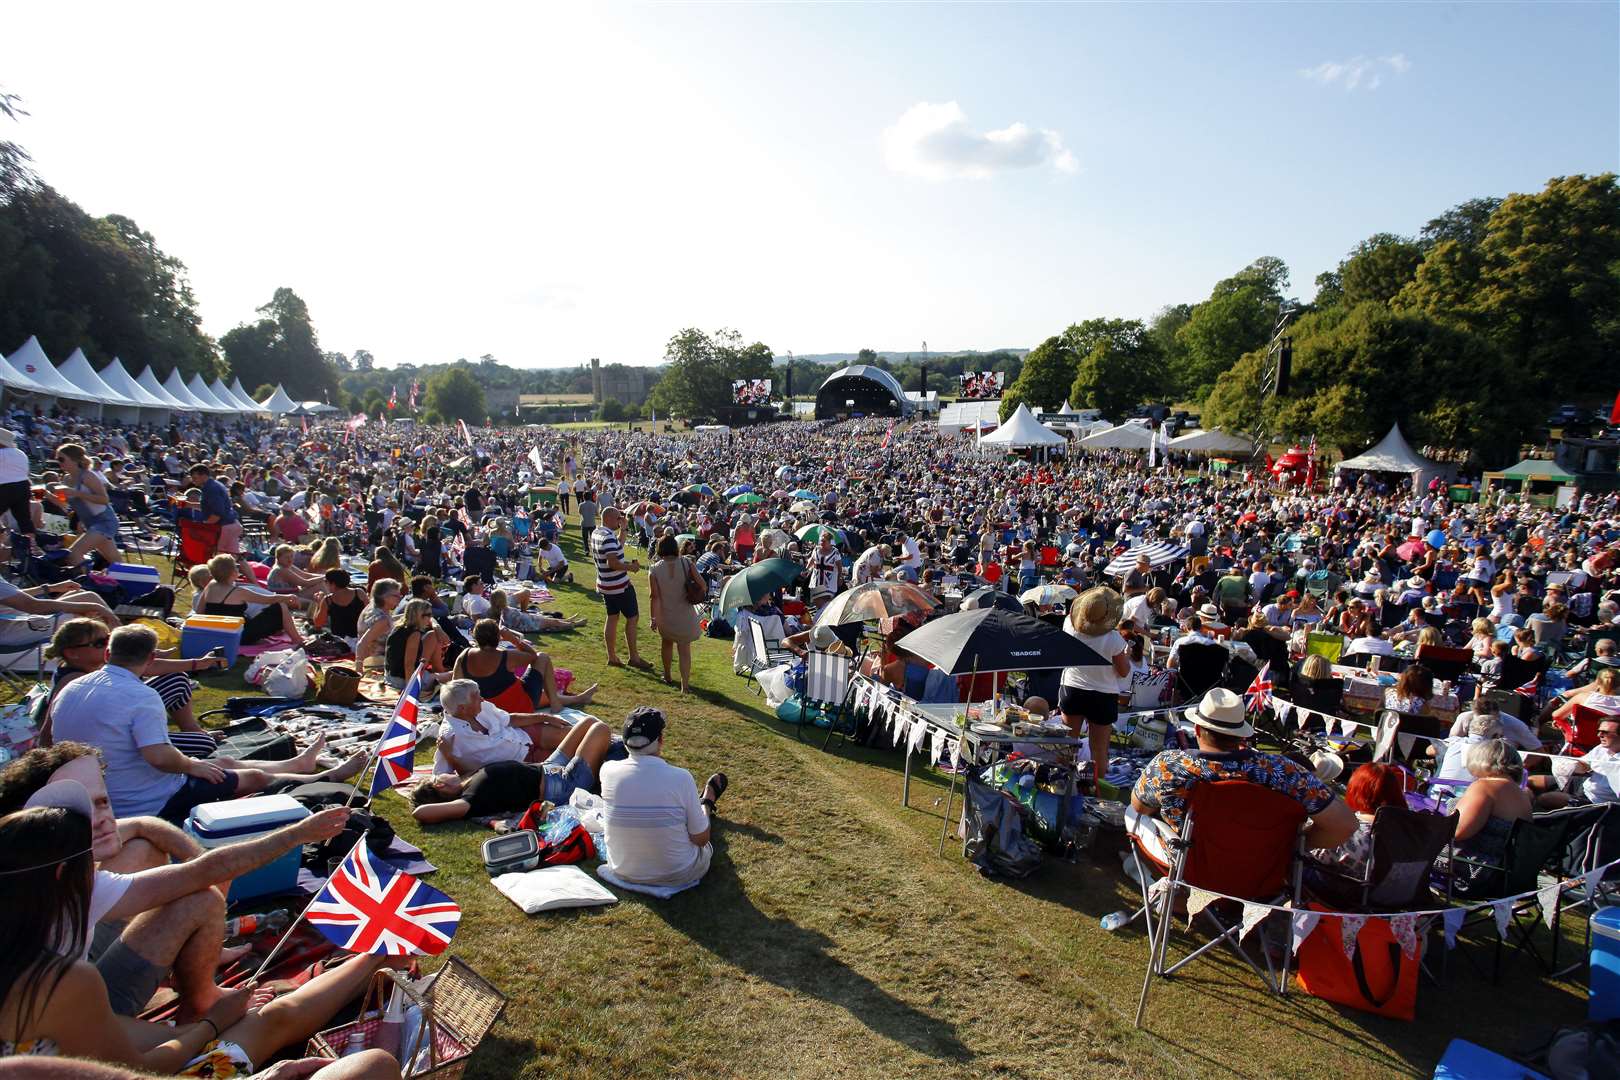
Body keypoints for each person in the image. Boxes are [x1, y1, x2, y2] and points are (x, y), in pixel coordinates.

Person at [0, 787, 399, 1078]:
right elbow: (136, 1069)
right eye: (88, 860)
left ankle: (377, 954)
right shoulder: (58, 981)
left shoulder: (33, 960)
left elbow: (202, 872)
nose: (100, 867)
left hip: (81, 1043)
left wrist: (194, 1030)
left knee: (258, 1019)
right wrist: (212, 1024)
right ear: (60, 876)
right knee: (362, 1060)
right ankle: (379, 954)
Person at [0, 745, 354, 1021]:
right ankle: (202, 1005)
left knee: (142, 847)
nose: (104, 818)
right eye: (85, 810)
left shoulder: (33, 855)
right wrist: (298, 834)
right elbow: (207, 873)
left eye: (104, 801)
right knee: (201, 900)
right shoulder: (74, 885)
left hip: (61, 984)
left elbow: (143, 825)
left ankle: (196, 970)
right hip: (65, 1020)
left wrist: (194, 854)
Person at [50, 626, 364, 822]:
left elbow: (46, 740)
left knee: (223, 762)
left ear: (107, 654)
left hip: (96, 792)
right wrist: (192, 766)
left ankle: (298, 764)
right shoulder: (140, 696)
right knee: (249, 777)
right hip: (144, 799)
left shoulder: (71, 688)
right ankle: (326, 775)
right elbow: (159, 757)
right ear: (151, 658)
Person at [1129, 688, 1356, 865]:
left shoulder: (1170, 765)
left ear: (1197, 730)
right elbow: (1344, 825)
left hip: (1192, 864)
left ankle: (1174, 896)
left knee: (1132, 813)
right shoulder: (1285, 772)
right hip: (1264, 866)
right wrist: (1292, 845)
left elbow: (1140, 807)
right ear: (1240, 736)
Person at [41, 618, 232, 757]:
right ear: (72, 653)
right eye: (100, 642)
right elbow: (47, 733)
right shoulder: (73, 682)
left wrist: (198, 664)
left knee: (176, 680)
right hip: (113, 746)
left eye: (108, 638)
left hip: (122, 729)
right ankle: (192, 740)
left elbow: (151, 666)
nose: (108, 644)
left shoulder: (95, 670)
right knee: (203, 744)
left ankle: (192, 731)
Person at [600, 706, 729, 890]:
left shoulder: (607, 770)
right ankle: (707, 802)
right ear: (660, 740)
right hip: (679, 873)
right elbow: (700, 839)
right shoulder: (680, 778)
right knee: (699, 828)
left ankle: (701, 806)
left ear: (625, 741)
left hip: (622, 869)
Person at [410, 716, 615, 824]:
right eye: (437, 778)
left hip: (549, 767)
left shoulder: (466, 781)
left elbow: (463, 772)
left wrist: (449, 756)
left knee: (588, 723)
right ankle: (608, 766)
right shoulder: (469, 800)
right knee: (601, 729)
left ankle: (606, 757)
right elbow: (421, 813)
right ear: (439, 784)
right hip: (562, 785)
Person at [1058, 587, 1131, 784]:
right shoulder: (1114, 639)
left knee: (1067, 742)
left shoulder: (1069, 625)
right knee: (1098, 748)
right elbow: (1124, 671)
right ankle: (1094, 790)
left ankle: (1060, 783)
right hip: (1103, 694)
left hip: (1072, 688)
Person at [1445, 738, 1534, 897]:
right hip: (1506, 877)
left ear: (1479, 759)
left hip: (1472, 874)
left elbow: (1457, 831)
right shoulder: (1522, 795)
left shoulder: (1484, 787)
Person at [450, 618, 597, 713]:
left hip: (485, 710)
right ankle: (557, 705)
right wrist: (513, 639)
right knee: (543, 657)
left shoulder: (464, 656)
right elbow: (534, 656)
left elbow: (455, 687)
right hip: (517, 707)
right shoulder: (506, 656)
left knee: (541, 695)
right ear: (498, 637)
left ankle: (579, 698)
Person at [432, 679, 571, 773]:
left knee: (571, 734)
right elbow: (442, 778)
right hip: (522, 762)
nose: (482, 699)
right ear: (462, 708)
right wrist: (450, 757)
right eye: (476, 696)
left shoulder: (482, 707)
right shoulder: (449, 737)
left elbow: (509, 719)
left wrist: (544, 717)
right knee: (572, 759)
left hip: (523, 734)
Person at [1308, 763, 1408, 881]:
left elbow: (1312, 852)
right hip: (1397, 893)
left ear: (1355, 791)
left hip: (1352, 894)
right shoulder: (1409, 830)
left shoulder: (1350, 833)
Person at [197, 554, 305, 648]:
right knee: (280, 606)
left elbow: (199, 611)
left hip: (217, 634)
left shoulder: (210, 586)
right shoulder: (238, 592)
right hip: (238, 636)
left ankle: (262, 637)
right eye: (237, 567)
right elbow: (268, 599)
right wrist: (288, 597)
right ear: (233, 571)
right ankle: (297, 640)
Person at [591, 507, 650, 670]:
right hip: (619, 585)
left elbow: (619, 546)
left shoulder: (598, 533)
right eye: (618, 518)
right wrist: (632, 568)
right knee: (632, 618)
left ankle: (612, 656)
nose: (620, 520)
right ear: (610, 519)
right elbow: (613, 563)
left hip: (605, 584)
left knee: (612, 617)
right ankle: (634, 657)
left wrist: (623, 529)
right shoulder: (608, 537)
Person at [647, 535, 703, 692]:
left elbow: (654, 597)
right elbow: (703, 585)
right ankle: (685, 686)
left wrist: (653, 618)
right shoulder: (687, 562)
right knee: (684, 650)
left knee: (666, 643)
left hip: (665, 615)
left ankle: (667, 675)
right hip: (685, 614)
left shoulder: (654, 569)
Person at [52, 444, 121, 569]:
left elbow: (104, 499)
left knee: (73, 554)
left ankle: (86, 583)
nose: (59, 462)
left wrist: (76, 493)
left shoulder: (87, 476)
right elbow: (63, 504)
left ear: (74, 460)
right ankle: (132, 583)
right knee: (116, 563)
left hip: (104, 521)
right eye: (57, 459)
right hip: (91, 523)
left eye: (61, 459)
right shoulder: (67, 479)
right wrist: (46, 494)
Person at [383, 598, 449, 690]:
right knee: (453, 675)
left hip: (390, 677)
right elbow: (409, 664)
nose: (430, 618)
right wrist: (410, 690)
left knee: (432, 635)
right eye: (429, 615)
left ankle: (438, 671)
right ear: (419, 615)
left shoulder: (398, 628)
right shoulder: (414, 634)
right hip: (402, 681)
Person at [187, 462, 241, 555]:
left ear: (203, 475)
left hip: (225, 526)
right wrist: (189, 505)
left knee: (219, 558)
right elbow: (209, 506)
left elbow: (217, 513)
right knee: (235, 557)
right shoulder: (213, 484)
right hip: (232, 524)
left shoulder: (211, 488)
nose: (193, 481)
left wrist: (203, 525)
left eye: (195, 478)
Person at [354, 578, 404, 672]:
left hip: (373, 659)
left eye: (399, 595)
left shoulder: (373, 607)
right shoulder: (382, 620)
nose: (400, 598)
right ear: (384, 597)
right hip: (377, 663)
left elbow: (388, 621)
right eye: (396, 596)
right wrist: (358, 668)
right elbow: (362, 643)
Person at [0, 429, 35, 556]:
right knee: (24, 520)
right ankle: (31, 549)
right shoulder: (21, 453)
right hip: (23, 487)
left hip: (4, 488)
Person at [311, 568, 365, 640]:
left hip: (340, 640)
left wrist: (318, 603)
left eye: (326, 581)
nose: (325, 583)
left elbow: (318, 623)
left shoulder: (328, 600)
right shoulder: (359, 593)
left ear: (333, 584)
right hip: (360, 637)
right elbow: (369, 613)